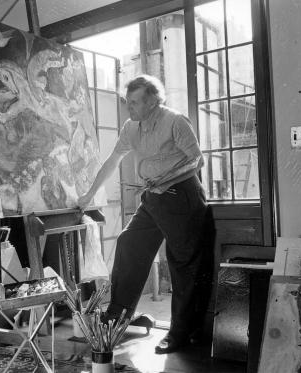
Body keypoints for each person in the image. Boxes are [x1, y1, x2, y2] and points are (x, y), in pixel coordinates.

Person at [77, 74, 207, 354]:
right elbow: (113, 160)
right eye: (128, 102)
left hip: (182, 195)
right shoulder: (130, 127)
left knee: (181, 263)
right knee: (129, 243)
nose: (129, 108)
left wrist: (166, 178)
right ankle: (117, 319)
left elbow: (198, 160)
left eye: (134, 102)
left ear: (152, 101)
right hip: (154, 196)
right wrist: (89, 194)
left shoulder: (175, 121)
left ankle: (180, 333)